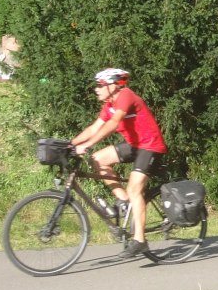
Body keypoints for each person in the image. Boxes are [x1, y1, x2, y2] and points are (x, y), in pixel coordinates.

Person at [71, 68, 168, 258]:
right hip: (135, 145)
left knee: (134, 189)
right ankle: (124, 201)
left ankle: (140, 240)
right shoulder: (109, 105)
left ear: (113, 85)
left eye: (100, 85)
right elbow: (94, 128)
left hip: (150, 146)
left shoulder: (125, 95)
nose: (96, 89)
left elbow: (114, 123)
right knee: (98, 159)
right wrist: (70, 144)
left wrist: (88, 145)